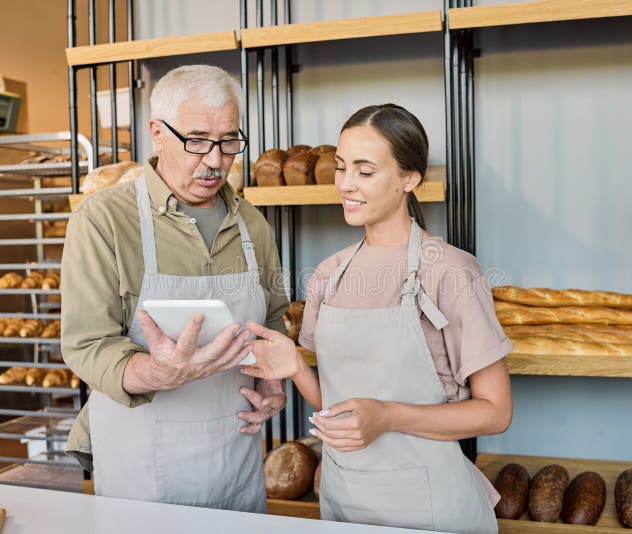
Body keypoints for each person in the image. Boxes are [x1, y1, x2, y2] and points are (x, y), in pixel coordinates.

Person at [240, 104, 513, 533]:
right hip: (343, 500)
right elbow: (340, 409)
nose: (346, 185)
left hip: (428, 507)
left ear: (410, 178)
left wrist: (388, 416)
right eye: (342, 168)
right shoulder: (328, 275)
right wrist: (294, 366)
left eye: (365, 172)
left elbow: (496, 413)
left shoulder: (450, 270)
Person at [61, 65, 289, 512]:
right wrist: (160, 373)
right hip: (142, 467)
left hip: (236, 459)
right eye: (198, 140)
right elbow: (86, 345)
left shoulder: (252, 224)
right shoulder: (104, 220)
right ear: (157, 134)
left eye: (229, 141)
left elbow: (275, 317)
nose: (215, 159)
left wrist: (274, 380)